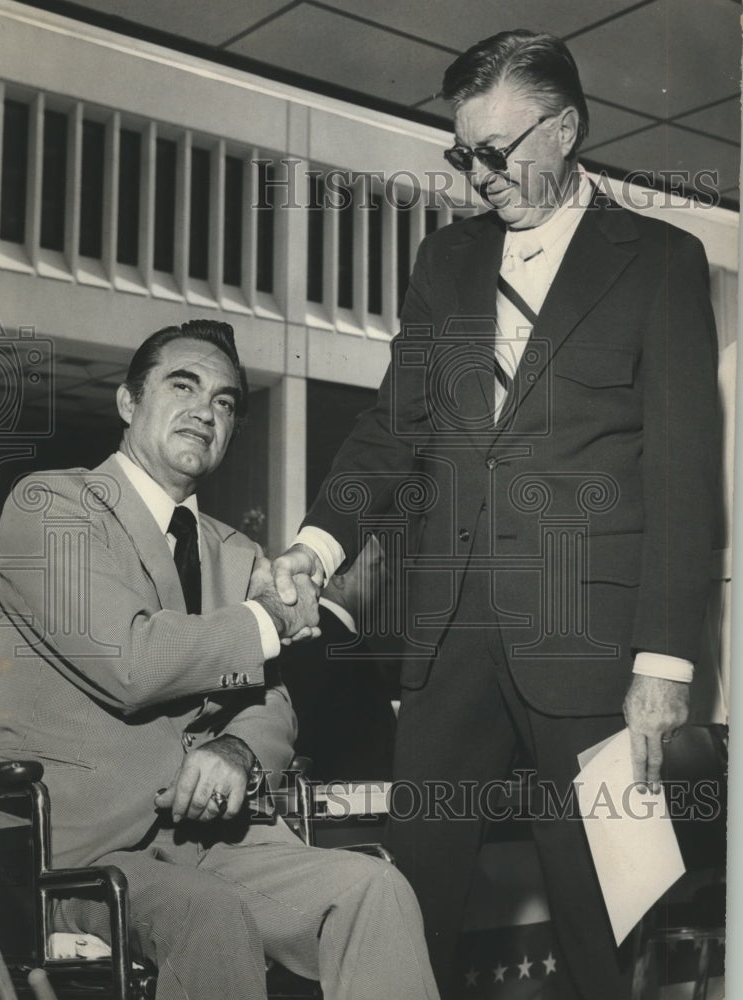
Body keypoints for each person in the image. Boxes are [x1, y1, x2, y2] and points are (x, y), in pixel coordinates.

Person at [272, 30, 721, 1000]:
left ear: (562, 128)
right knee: (408, 906)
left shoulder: (656, 262)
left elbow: (686, 476)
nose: (476, 175)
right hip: (449, 640)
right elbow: (394, 425)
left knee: (607, 918)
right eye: (459, 153)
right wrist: (318, 540)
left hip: (593, 646)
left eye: (494, 150)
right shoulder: (446, 262)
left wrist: (663, 661)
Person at [0, 320, 439, 1000]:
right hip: (80, 852)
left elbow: (273, 703)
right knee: (210, 914)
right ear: (129, 403)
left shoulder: (237, 552)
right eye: (183, 385)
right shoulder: (53, 508)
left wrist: (236, 752)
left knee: (375, 889)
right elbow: (131, 662)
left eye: (225, 402)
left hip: (217, 840)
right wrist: (268, 619)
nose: (206, 409)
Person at [281, 535, 397, 781]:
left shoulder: (297, 638)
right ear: (339, 578)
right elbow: (374, 758)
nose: (388, 576)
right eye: (376, 565)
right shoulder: (347, 651)